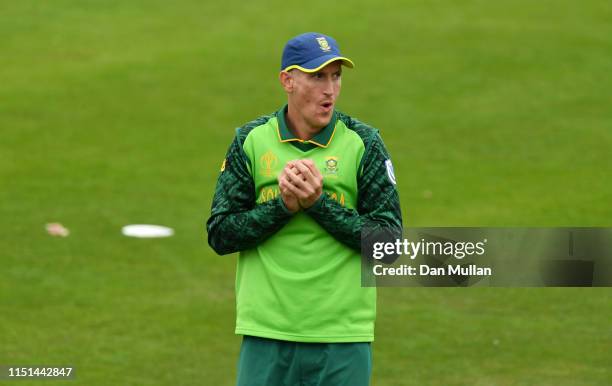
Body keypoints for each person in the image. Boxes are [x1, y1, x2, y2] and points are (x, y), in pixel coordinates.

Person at [206, 32, 402, 386]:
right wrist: (282, 206)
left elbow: (388, 246)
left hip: (343, 338)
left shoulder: (364, 143)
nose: (330, 89)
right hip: (267, 333)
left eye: (336, 76)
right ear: (287, 80)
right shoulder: (251, 141)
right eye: (317, 76)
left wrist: (317, 204)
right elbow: (220, 234)